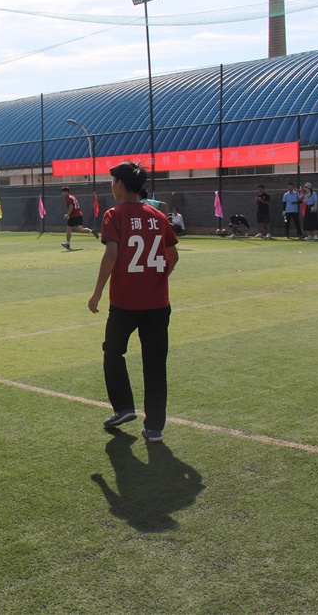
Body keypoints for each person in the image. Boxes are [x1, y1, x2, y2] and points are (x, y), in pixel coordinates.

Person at [89, 162, 178, 443]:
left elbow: (112, 254)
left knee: (113, 352)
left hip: (125, 302)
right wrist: (156, 278)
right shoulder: (158, 216)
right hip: (158, 303)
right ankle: (155, 428)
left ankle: (124, 407)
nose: (111, 186)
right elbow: (173, 256)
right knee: (155, 362)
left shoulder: (114, 214)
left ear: (120, 184)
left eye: (112, 181)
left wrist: (97, 292)